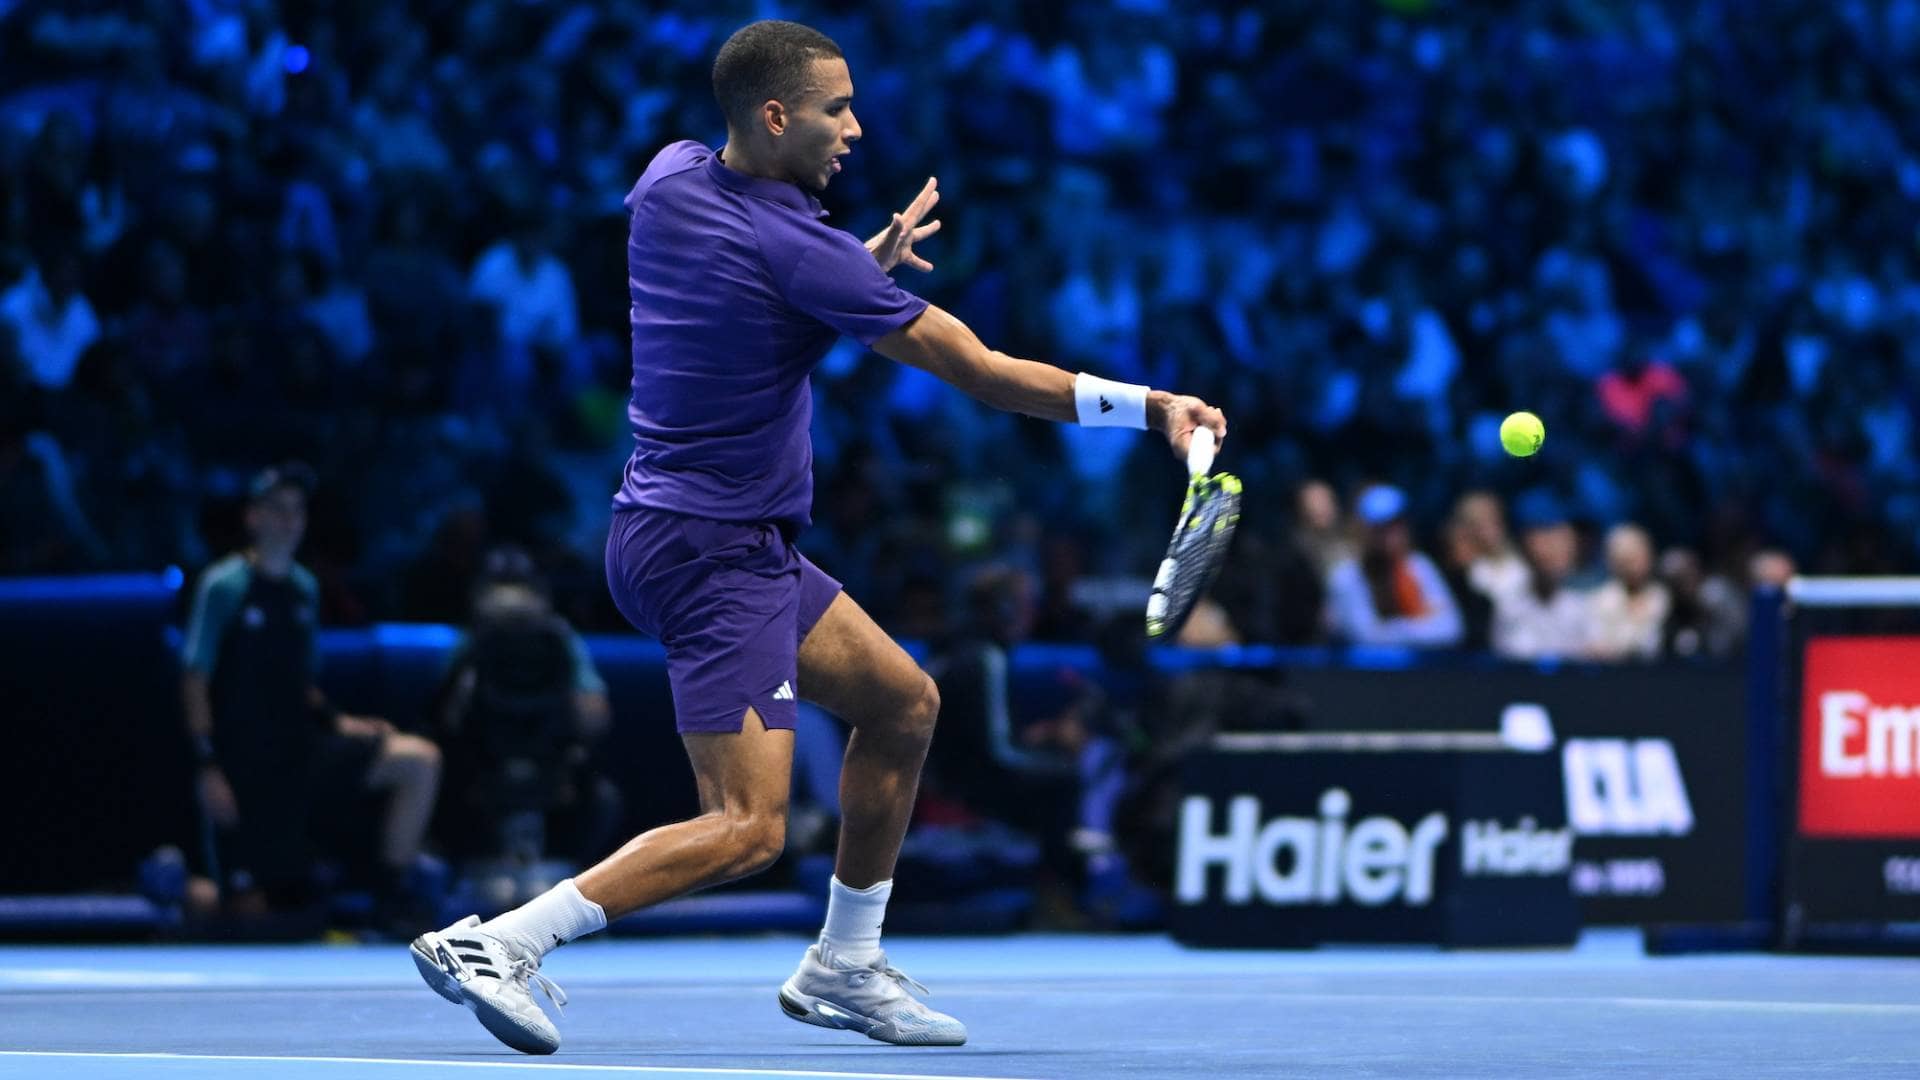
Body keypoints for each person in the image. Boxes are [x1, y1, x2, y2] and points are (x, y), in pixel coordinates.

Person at [411, 19, 1226, 1055]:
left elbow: (758, 291)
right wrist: (1152, 404)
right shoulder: (803, 253)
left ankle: (845, 962)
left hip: (676, 531)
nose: (855, 127)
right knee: (749, 827)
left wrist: (855, 269)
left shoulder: (666, 179)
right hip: (713, 551)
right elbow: (979, 371)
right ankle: (507, 942)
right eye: (836, 108)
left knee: (903, 704)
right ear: (777, 113)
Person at [182, 463, 442, 926]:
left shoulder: (305, 589)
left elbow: (300, 685)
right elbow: (195, 677)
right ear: (253, 518)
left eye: (296, 511)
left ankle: (390, 900)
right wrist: (207, 766)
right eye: (277, 509)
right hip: (245, 768)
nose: (288, 520)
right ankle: (178, 893)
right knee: (252, 915)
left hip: (302, 751)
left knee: (418, 760)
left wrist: (343, 723)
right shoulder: (224, 586)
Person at [1324, 485, 1463, 649]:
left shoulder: (1420, 566)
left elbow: (1451, 629)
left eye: (1397, 523)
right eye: (1381, 527)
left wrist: (1395, 628)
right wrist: (1421, 622)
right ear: (1365, 530)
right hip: (1365, 673)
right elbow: (1365, 636)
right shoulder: (1347, 576)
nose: (1391, 533)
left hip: (1417, 672)